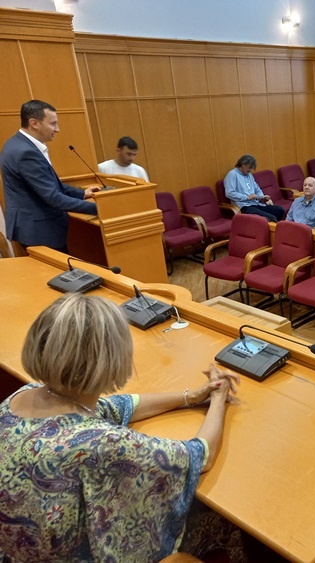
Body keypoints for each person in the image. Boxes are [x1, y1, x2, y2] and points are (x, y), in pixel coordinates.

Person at [0, 293, 241, 562]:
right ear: (112, 358)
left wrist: (191, 396)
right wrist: (219, 397)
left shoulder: (21, 396)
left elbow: (120, 405)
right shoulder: (100, 443)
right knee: (222, 523)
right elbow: (199, 456)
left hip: (16, 552)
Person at [1, 100, 98, 252]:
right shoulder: (26, 152)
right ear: (34, 123)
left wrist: (81, 193)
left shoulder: (16, 143)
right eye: (53, 124)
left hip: (32, 226)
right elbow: (52, 197)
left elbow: (48, 183)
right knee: (59, 267)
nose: (57, 129)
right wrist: (99, 208)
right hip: (39, 231)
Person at [223, 154, 285, 222]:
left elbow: (257, 189)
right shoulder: (232, 175)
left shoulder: (249, 175)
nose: (250, 170)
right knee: (271, 218)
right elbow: (229, 193)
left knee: (280, 210)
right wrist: (246, 197)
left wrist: (261, 196)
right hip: (244, 206)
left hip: (255, 203)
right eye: (249, 167)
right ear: (243, 164)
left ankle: (276, 227)